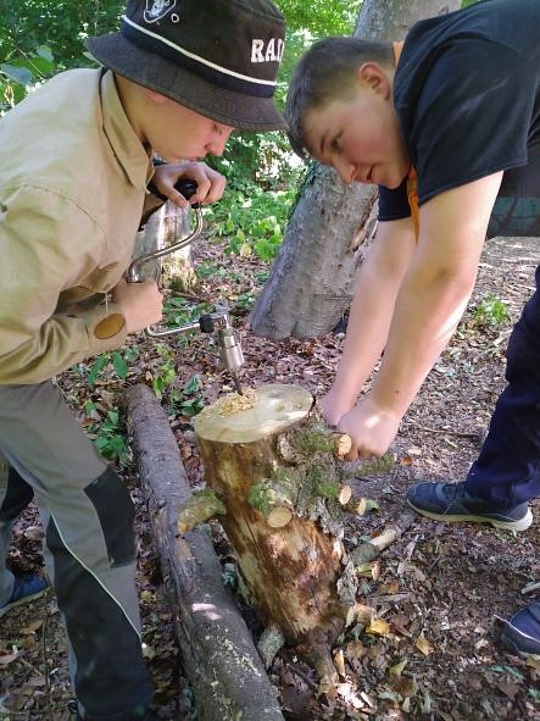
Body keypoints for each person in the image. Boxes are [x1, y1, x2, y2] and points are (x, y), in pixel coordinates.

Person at [0, 0, 286, 718]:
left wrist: (157, 171)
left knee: (15, 466)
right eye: (217, 119)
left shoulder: (94, 93)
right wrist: (113, 319)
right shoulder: (60, 196)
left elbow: (105, 161)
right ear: (160, 82)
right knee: (97, 509)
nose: (221, 144)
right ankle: (115, 705)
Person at [284, 0, 540, 660]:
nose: (345, 172)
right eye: (329, 163)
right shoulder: (413, 114)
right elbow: (389, 261)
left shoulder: (463, 67)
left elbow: (447, 269)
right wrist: (343, 398)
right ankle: (499, 493)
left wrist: (386, 406)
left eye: (337, 142)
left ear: (374, 80)